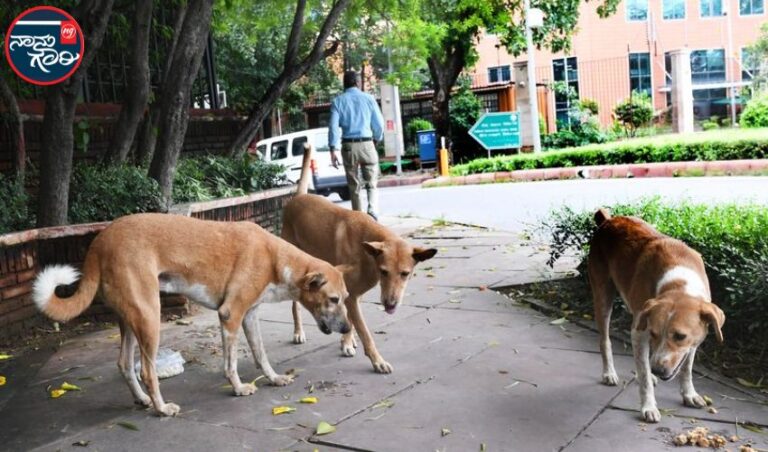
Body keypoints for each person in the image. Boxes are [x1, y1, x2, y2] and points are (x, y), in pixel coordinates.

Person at [329, 70, 384, 220]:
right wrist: (376, 139)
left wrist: (333, 149)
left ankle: (358, 218)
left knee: (354, 185)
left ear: (344, 84)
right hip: (367, 143)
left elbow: (333, 127)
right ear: (358, 83)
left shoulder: (337, 102)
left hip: (348, 147)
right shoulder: (369, 99)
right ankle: (372, 209)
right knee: (371, 182)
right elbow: (379, 124)